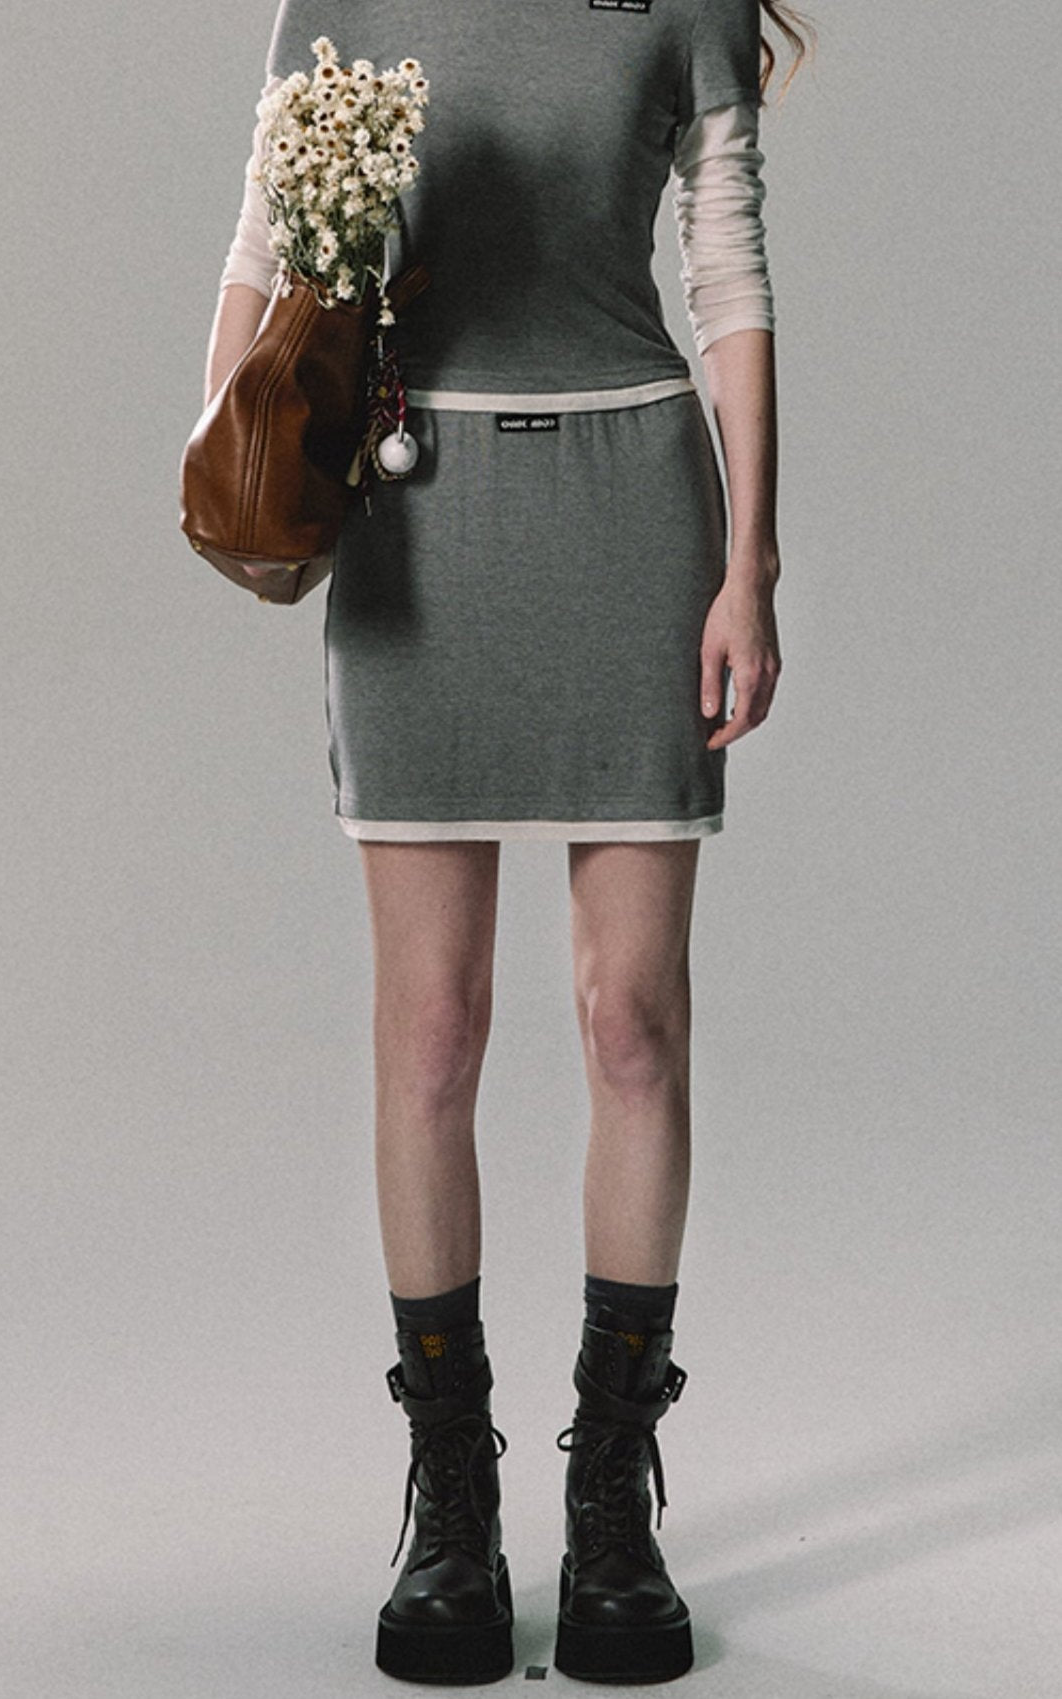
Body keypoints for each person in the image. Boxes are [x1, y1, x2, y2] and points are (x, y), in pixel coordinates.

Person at [201, 0, 811, 1682]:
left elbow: (729, 274)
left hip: (633, 501)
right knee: (431, 1032)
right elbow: (264, 241)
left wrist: (750, 564)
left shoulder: (682, 3)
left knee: (634, 1025)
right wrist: (232, 460)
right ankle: (451, 1508)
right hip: (414, 503)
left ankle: (612, 1505)